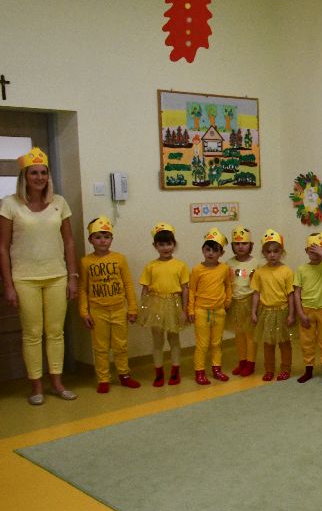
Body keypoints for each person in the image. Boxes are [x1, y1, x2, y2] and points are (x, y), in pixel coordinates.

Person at [0, 147, 79, 404]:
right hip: (24, 278)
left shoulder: (59, 203)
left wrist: (73, 276)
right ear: (24, 176)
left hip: (57, 276)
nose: (39, 177)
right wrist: (8, 285)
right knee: (32, 333)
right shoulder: (9, 204)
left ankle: (57, 382)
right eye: (34, 173)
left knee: (55, 332)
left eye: (43, 172)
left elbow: (69, 242)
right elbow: (2, 247)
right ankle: (36, 387)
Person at [77, 216, 139, 394]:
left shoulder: (120, 259)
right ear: (90, 240)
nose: (102, 241)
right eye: (98, 237)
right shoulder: (86, 262)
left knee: (121, 345)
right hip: (97, 312)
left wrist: (132, 308)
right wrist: (84, 312)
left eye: (106, 236)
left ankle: (124, 375)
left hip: (119, 309)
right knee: (100, 348)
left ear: (112, 238)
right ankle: (103, 379)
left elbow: (128, 284)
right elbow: (83, 288)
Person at [138, 223, 189, 387]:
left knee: (174, 339)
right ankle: (159, 372)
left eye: (169, 243)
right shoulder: (150, 266)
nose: (166, 247)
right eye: (161, 244)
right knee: (157, 341)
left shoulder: (180, 265)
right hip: (156, 304)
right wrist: (143, 310)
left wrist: (185, 309)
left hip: (174, 304)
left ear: (174, 244)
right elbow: (145, 289)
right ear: (155, 246)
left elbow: (185, 289)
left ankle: (175, 371)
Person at [188, 228, 232, 385]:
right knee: (202, 344)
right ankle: (199, 372)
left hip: (219, 311)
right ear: (203, 250)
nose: (211, 253)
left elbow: (228, 286)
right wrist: (191, 310)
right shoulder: (197, 270)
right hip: (201, 311)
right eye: (208, 249)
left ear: (221, 253)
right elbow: (192, 290)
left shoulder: (224, 268)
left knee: (216, 343)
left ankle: (216, 369)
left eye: (215, 250)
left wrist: (227, 302)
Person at [251, 229, 295, 381]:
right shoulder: (260, 272)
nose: (272, 255)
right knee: (268, 343)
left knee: (284, 342)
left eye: (276, 251)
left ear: (281, 252)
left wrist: (291, 314)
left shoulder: (287, 271)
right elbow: (256, 293)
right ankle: (269, 369)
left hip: (282, 311)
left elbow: (290, 294)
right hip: (266, 312)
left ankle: (286, 369)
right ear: (263, 253)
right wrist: (254, 312)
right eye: (268, 252)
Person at [294, 232, 322, 384]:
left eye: (318, 250)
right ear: (306, 251)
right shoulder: (301, 269)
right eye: (311, 250)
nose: (315, 254)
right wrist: (300, 313)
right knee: (307, 341)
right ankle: (308, 370)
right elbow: (297, 292)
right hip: (307, 310)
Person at [226, 226, 259, 377]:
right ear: (233, 246)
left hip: (250, 302)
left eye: (244, 243)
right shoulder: (228, 263)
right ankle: (242, 361)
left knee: (250, 335)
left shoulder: (256, 263)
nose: (240, 246)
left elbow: (258, 286)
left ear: (250, 245)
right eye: (237, 244)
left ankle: (251, 363)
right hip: (235, 303)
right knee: (239, 334)